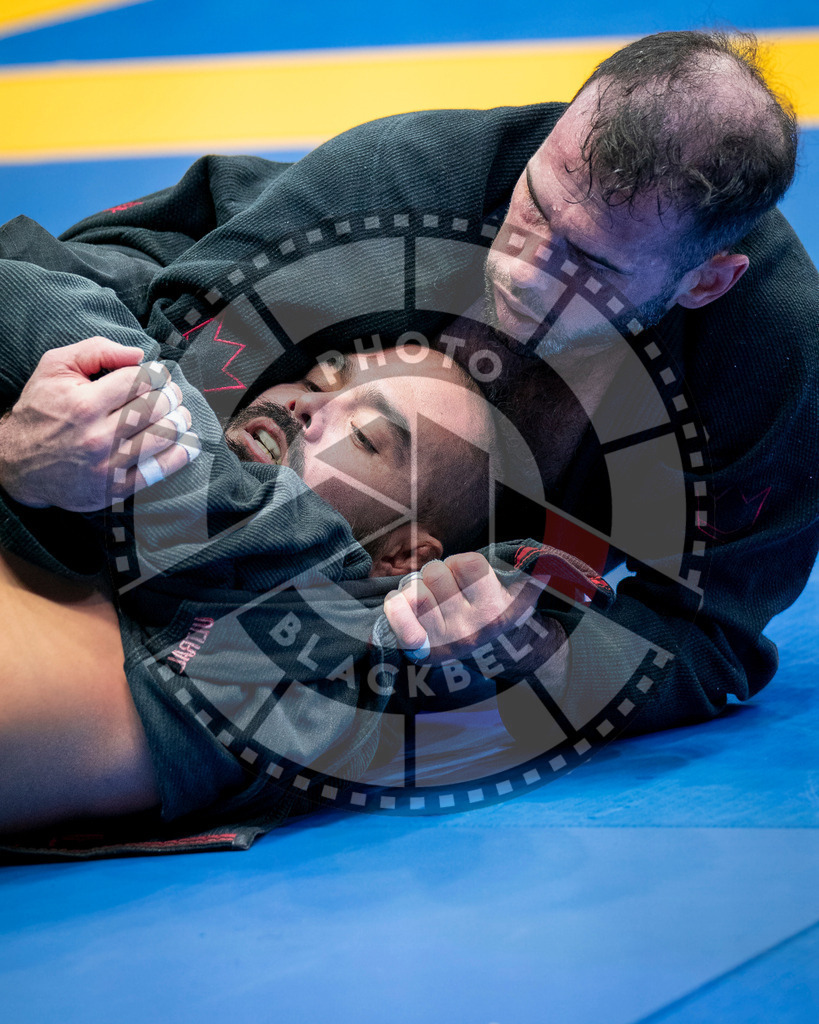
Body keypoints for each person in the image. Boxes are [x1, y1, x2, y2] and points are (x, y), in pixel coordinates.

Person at [0, 28, 816, 808]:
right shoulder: (404, 179)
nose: (526, 270)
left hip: (353, 553)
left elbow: (714, 642)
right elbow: (167, 462)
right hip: (144, 308)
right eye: (534, 208)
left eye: (589, 264)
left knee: (350, 682)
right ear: (550, 139)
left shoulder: (772, 361)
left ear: (704, 282)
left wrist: (537, 649)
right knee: (114, 418)